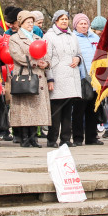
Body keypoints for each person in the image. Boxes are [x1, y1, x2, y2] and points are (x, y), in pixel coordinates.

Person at [7, 10, 51, 148]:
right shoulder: (15, 38)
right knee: (25, 109)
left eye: (32, 22)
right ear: (21, 23)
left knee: (36, 110)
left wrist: (46, 63)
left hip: (38, 76)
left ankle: (34, 138)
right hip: (24, 75)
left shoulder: (38, 38)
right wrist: (34, 62)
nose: (30, 24)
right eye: (27, 22)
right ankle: (24, 137)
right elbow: (17, 55)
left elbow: (46, 54)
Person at [43, 10, 82, 148]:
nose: (64, 21)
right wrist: (50, 78)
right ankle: (52, 139)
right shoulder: (49, 36)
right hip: (58, 77)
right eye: (61, 19)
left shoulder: (73, 36)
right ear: (55, 21)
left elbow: (79, 53)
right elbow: (46, 58)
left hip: (71, 77)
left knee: (67, 111)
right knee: (56, 111)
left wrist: (78, 59)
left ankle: (66, 138)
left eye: (66, 19)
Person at [72, 13, 103, 146]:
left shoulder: (95, 37)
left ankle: (92, 137)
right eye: (81, 24)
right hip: (81, 78)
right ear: (76, 25)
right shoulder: (73, 38)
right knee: (79, 110)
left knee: (93, 109)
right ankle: (78, 137)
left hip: (95, 78)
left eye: (85, 23)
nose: (84, 26)